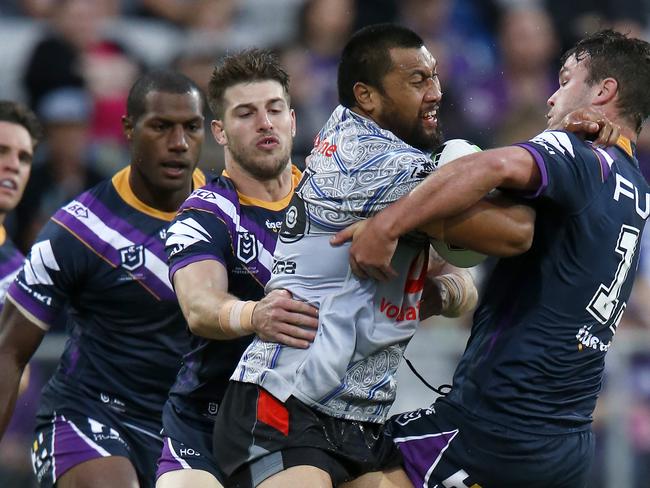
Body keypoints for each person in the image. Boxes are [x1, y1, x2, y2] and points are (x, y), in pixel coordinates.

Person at [211, 24, 552, 488]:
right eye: (417, 81)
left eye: (434, 77)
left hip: (359, 420)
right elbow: (515, 233)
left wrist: (438, 291)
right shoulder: (369, 160)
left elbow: (462, 285)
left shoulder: (386, 161)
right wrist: (569, 153)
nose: (435, 93)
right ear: (366, 96)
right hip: (285, 404)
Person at [334, 29, 650, 488]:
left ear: (604, 92)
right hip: (565, 442)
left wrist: (388, 225)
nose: (552, 96)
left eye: (565, 81)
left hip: (495, 425)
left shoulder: (576, 149)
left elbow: (487, 167)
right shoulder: (636, 187)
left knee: (329, 461)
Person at [0, 70, 206, 488]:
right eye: (161, 127)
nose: (178, 143)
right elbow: (9, 353)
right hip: (87, 416)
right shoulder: (78, 231)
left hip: (184, 431)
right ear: (129, 129)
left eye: (191, 127)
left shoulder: (224, 216)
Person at [155, 49, 319, 488]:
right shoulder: (206, 213)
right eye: (245, 113)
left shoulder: (332, 205)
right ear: (220, 132)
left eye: (274, 109)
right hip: (205, 422)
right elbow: (199, 306)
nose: (265, 122)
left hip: (298, 425)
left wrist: (445, 291)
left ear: (293, 121)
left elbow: (448, 278)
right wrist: (255, 316)